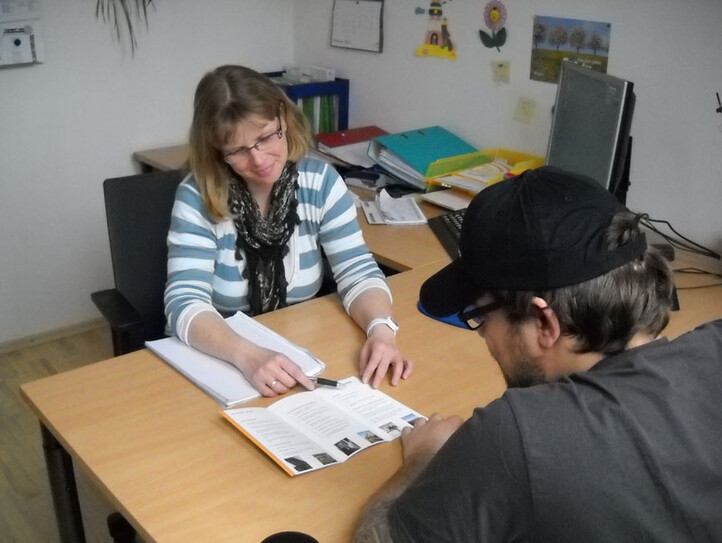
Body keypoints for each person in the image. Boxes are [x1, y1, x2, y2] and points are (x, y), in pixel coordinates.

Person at [353, 166, 722, 542]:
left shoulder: (519, 437)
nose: (484, 339)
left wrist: (424, 458)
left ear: (544, 323)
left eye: (479, 315)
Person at [164, 65, 412, 397]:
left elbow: (357, 271)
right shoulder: (197, 196)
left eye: (266, 136)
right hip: (218, 360)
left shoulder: (320, 182)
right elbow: (183, 302)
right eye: (238, 150)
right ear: (215, 150)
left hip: (295, 356)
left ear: (283, 117)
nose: (259, 159)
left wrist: (381, 331)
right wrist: (247, 356)